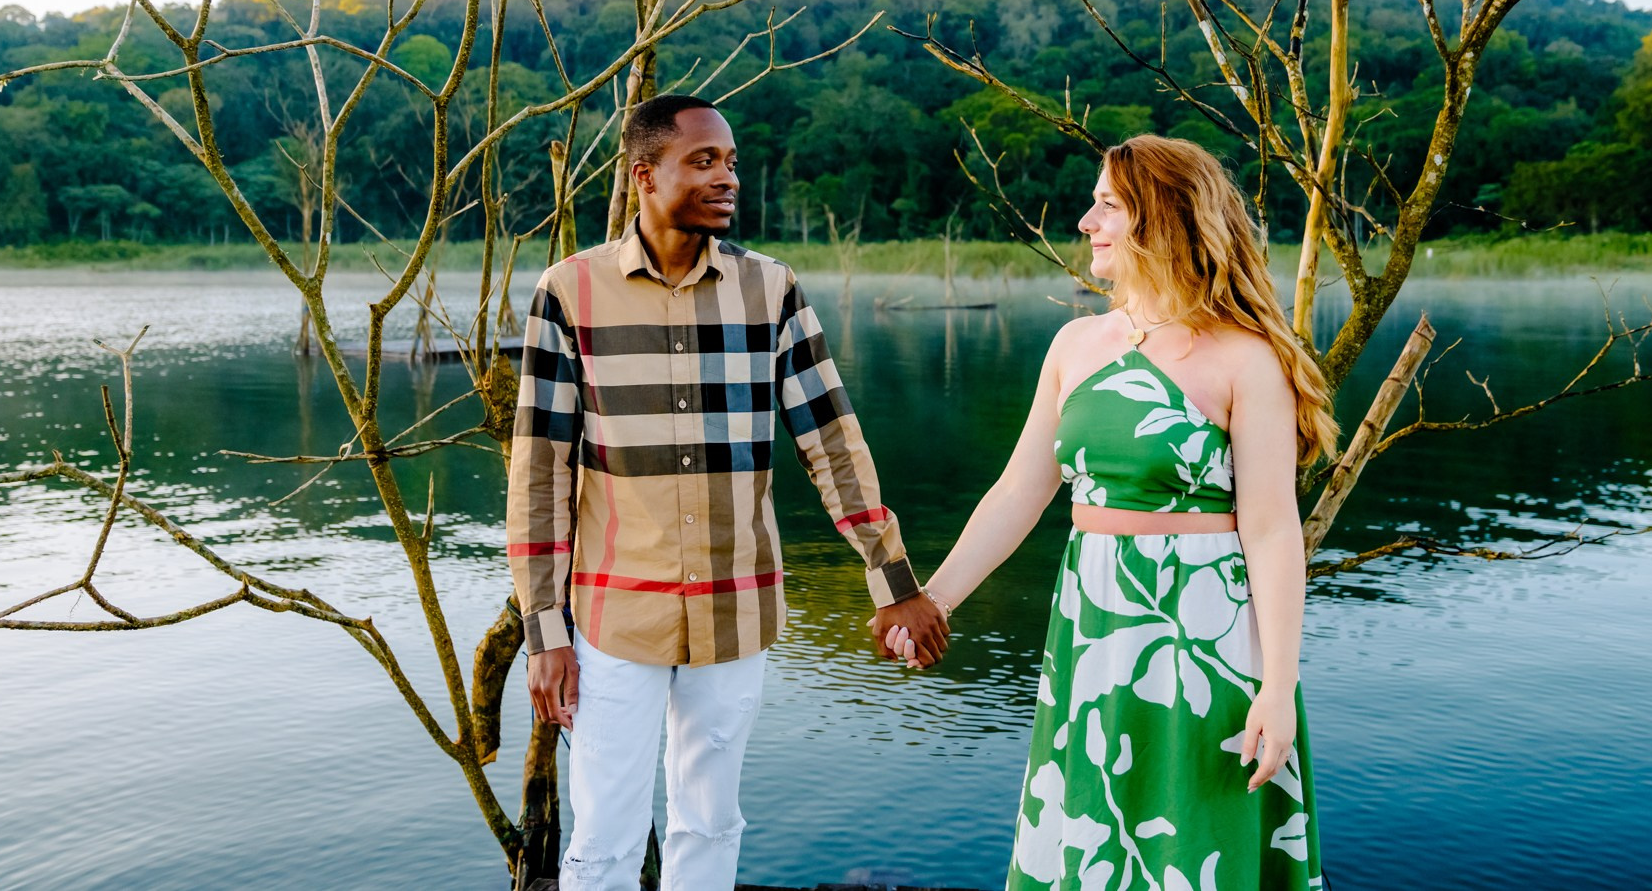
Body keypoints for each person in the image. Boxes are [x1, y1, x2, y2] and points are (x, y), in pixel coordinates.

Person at [506, 93, 949, 890]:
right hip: (614, 616)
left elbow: (832, 442)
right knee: (602, 835)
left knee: (710, 821)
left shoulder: (769, 289)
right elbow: (540, 473)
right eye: (703, 161)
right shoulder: (569, 292)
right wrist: (545, 631)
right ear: (644, 175)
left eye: (732, 163)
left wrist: (892, 580)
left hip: (736, 605)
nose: (727, 178)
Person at [882, 134, 1335, 890]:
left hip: (1206, 641)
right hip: (1092, 632)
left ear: (1160, 219)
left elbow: (1270, 529)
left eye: (1108, 205)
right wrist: (935, 597)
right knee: (1096, 826)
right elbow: (1020, 491)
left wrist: (1277, 687)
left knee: (1194, 835)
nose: (1087, 221)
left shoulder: (1243, 357)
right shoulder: (1075, 345)